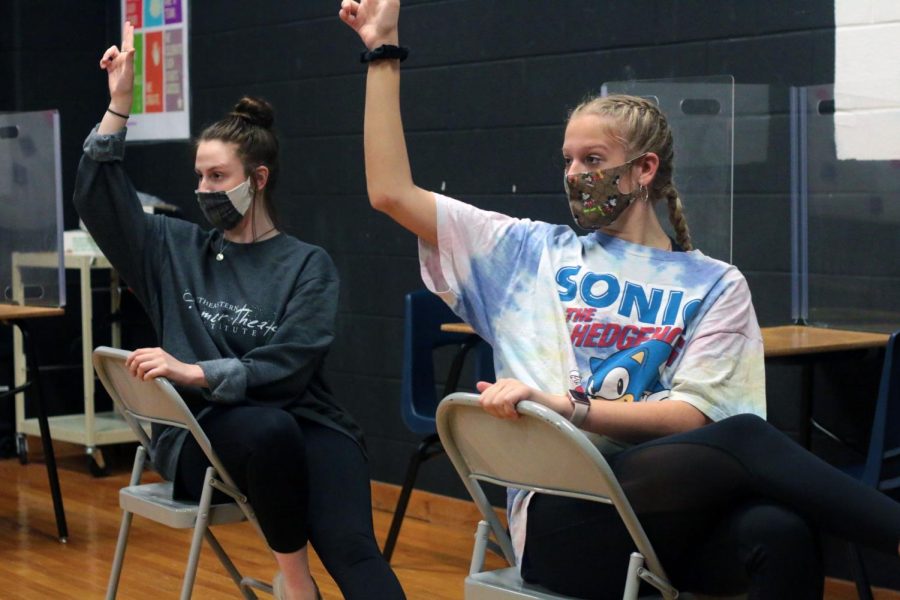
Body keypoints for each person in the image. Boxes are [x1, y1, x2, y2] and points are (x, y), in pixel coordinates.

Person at [339, 1, 900, 598]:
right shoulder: (529, 253)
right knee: (746, 440)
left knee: (782, 529)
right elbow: (390, 193)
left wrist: (568, 405)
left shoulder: (715, 283)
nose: (574, 174)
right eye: (568, 161)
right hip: (566, 517)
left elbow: (692, 419)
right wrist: (382, 51)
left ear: (643, 169)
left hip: (670, 516)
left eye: (593, 160)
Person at [74, 21, 405, 600]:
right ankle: (298, 586)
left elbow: (292, 364)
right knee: (268, 428)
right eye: (199, 175)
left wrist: (195, 369)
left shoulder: (308, 264)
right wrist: (117, 110)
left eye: (217, 177)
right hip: (201, 432)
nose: (203, 188)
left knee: (353, 548)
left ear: (258, 180)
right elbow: (96, 199)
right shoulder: (172, 248)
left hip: (305, 419)